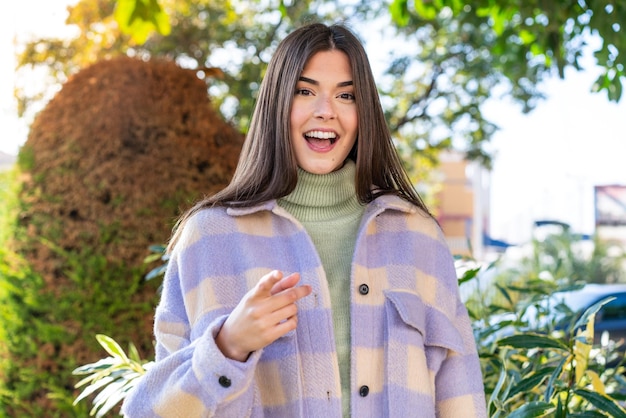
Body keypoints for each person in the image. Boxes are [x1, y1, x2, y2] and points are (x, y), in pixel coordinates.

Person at [121, 22, 487, 418]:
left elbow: (461, 396)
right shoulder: (208, 239)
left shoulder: (419, 237)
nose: (325, 111)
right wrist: (228, 346)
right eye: (305, 91)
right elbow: (148, 413)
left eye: (346, 95)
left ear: (364, 112)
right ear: (277, 103)